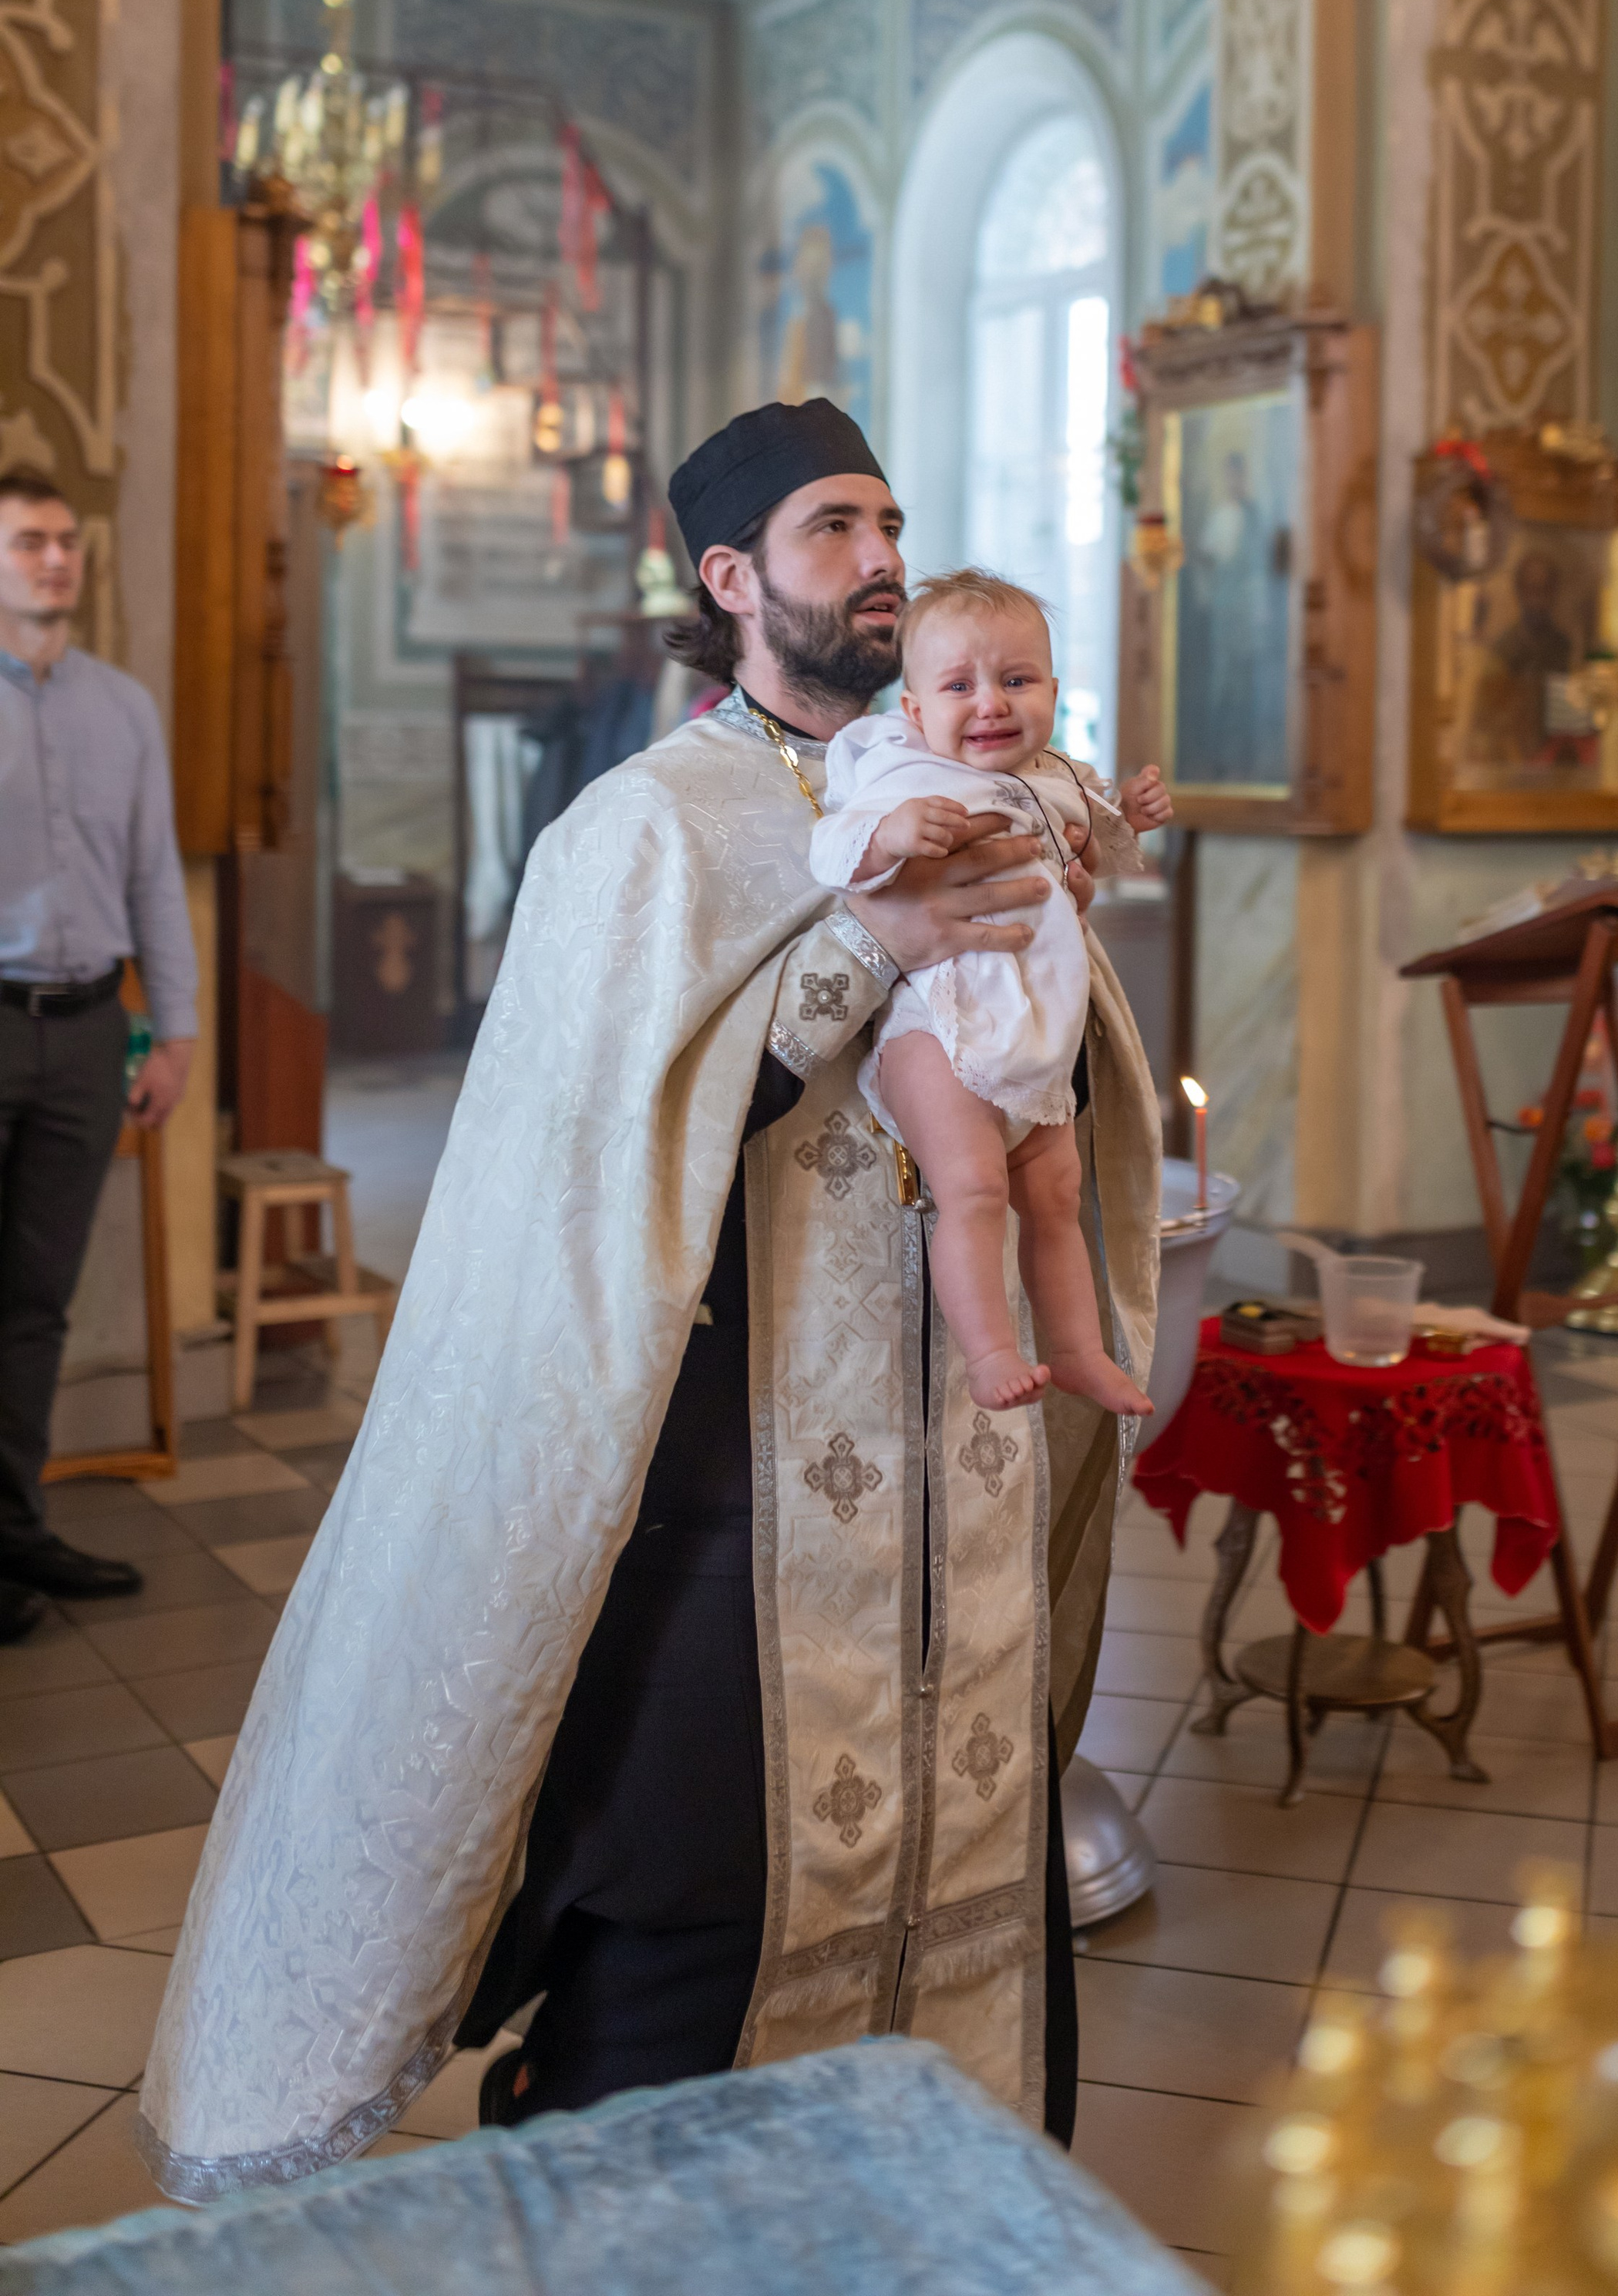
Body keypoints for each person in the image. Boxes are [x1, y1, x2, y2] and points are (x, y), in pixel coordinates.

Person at [138, 398, 1160, 2200]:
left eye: (890, 522)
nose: (880, 558)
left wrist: (1044, 948)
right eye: (834, 527)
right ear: (730, 574)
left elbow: (1053, 1066)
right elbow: (596, 1157)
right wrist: (867, 949)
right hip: (729, 1465)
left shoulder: (974, 783)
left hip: (958, 1447)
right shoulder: (647, 829)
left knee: (964, 1831)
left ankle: (940, 2205)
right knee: (696, 1872)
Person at [809, 570, 1168, 1416]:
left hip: (1032, 1030)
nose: (991, 705)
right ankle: (989, 1352)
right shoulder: (896, 771)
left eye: (1016, 680)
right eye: (959, 686)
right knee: (973, 1188)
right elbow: (832, 847)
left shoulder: (1052, 776)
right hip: (930, 1029)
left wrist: (1133, 818)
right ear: (915, 711)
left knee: (1053, 1196)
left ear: (1051, 689)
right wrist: (891, 834)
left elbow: (1096, 844)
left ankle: (1077, 1352)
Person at [0, 469, 199, 1643]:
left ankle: (16, 1529)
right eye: (29, 541)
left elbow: (152, 879)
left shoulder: (122, 707)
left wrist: (172, 1029)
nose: (55, 560)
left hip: (84, 1033)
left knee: (35, 1303)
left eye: (67, 541)